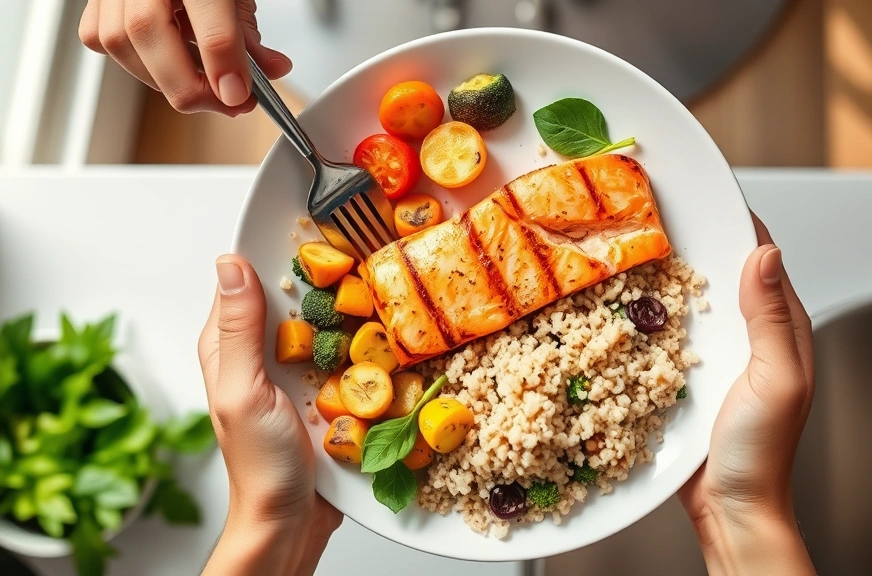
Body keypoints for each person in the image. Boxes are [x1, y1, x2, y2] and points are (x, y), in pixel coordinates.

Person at [81, 3, 817, 574]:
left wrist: (270, 525)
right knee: (463, 277)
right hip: (433, 295)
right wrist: (740, 515)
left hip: (479, 277)